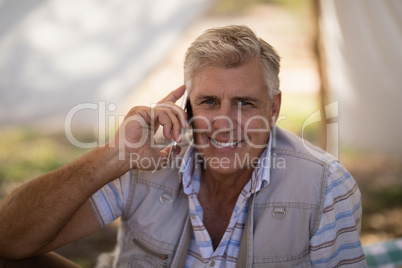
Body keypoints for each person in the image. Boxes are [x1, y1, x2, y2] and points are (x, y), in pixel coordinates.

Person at [0, 25, 366, 267]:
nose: (224, 121)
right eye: (209, 102)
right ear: (187, 107)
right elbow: (9, 240)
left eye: (244, 103)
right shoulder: (144, 160)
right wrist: (112, 155)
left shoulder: (325, 185)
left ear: (274, 109)